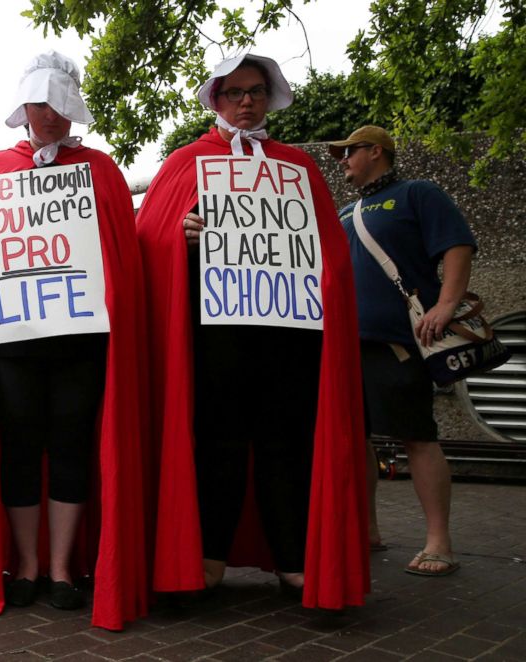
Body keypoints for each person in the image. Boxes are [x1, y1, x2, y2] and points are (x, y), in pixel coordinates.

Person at [135, 52, 368, 609]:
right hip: (213, 335)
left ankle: (294, 561)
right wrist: (181, 235)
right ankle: (206, 557)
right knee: (216, 439)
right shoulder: (185, 162)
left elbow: (330, 256)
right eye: (234, 92)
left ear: (270, 97)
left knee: (285, 441)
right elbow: (147, 242)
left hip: (288, 336)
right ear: (215, 99)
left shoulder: (297, 168)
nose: (246, 101)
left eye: (256, 91)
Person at [0, 51, 147, 630]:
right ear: (23, 107)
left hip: (80, 340)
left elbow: (121, 255)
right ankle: (26, 566)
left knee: (72, 448)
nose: (48, 114)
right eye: (38, 103)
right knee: (19, 449)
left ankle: (61, 568)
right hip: (15, 341)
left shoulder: (100, 170)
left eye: (58, 103)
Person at [330, 125, 474, 577]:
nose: (342, 160)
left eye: (349, 151)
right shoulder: (346, 211)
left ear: (376, 151)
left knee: (417, 437)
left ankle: (439, 543)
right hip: (347, 345)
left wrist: (447, 305)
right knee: (357, 441)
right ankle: (368, 530)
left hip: (399, 342)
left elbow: (457, 245)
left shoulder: (418, 193)